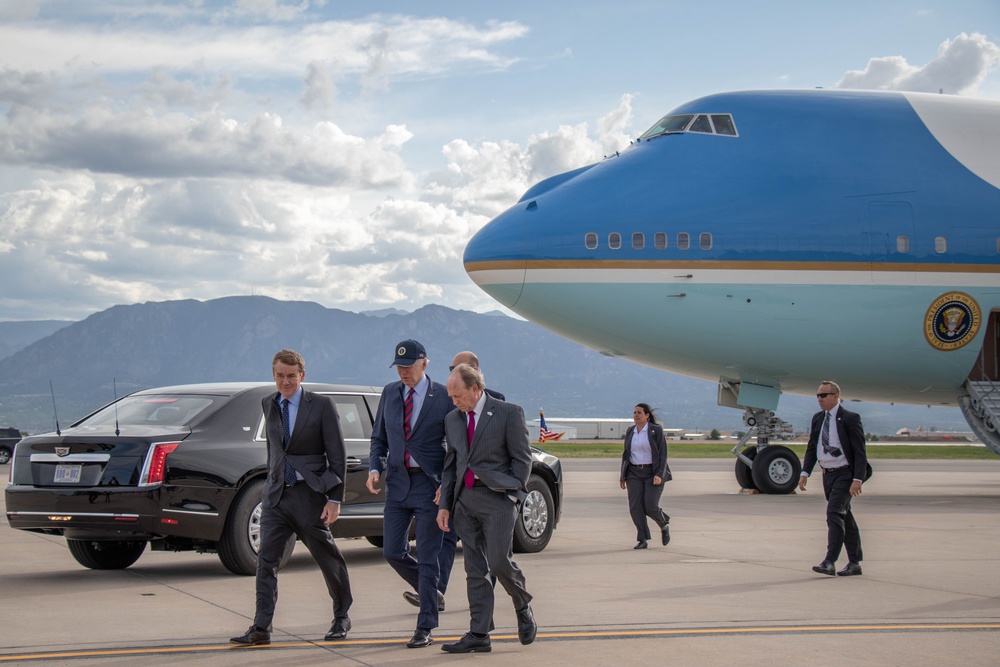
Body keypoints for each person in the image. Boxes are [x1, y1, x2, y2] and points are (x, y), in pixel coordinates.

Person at [230, 349, 353, 646]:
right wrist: (272, 480)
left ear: (302, 376)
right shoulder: (268, 403)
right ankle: (261, 627)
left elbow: (337, 454)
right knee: (266, 563)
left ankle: (341, 616)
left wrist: (334, 498)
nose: (285, 382)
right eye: (280, 376)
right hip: (275, 496)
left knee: (327, 558)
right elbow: (275, 449)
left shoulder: (322, 405)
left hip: (309, 495)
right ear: (273, 375)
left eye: (291, 376)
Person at [437, 364, 536, 653]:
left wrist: (513, 494)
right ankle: (479, 633)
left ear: (476, 389)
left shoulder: (508, 412)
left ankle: (522, 604)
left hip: (498, 500)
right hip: (464, 502)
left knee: (498, 561)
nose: (454, 402)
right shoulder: (453, 419)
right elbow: (451, 466)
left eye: (458, 396)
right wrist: (445, 505)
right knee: (475, 569)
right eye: (450, 396)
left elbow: (522, 459)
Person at [403, 350, 505, 612]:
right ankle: (437, 593)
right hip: (455, 485)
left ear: (475, 373)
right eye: (450, 367)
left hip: (484, 490)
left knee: (488, 551)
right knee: (445, 540)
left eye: (457, 367)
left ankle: (487, 597)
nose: (451, 372)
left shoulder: (498, 403)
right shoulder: (448, 401)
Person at [367, 339, 453, 649]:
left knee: (428, 557)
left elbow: (456, 447)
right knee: (392, 551)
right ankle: (432, 592)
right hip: (398, 484)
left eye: (409, 366)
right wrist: (374, 468)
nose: (403, 373)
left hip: (429, 486)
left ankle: (425, 626)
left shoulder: (443, 396)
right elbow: (379, 438)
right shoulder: (390, 393)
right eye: (399, 367)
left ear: (424, 363)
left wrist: (447, 482)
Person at [798, 380, 871, 577]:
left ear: (835, 396)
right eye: (818, 396)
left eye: (823, 395)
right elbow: (813, 447)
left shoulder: (850, 418)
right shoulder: (817, 419)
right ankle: (855, 562)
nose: (819, 399)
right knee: (844, 516)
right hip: (827, 474)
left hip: (845, 473)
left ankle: (830, 561)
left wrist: (858, 478)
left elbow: (859, 451)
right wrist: (805, 473)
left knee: (834, 513)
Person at [619, 403, 672, 550]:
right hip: (634, 473)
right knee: (635, 507)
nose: (636, 415)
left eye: (639, 413)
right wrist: (622, 476)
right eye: (634, 412)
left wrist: (659, 474)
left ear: (647, 415)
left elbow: (662, 454)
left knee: (650, 506)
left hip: (652, 472)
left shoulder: (656, 430)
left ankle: (663, 524)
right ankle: (642, 539)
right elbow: (626, 455)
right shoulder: (631, 431)